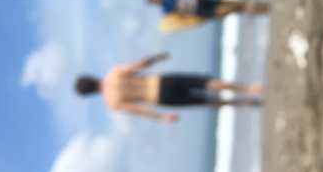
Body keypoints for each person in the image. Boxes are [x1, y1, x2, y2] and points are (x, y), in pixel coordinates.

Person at [74, 52, 263, 122]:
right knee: (204, 83)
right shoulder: (113, 73)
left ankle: (241, 103)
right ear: (91, 78)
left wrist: (161, 117)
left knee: (204, 101)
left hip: (161, 98)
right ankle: (247, 89)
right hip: (161, 81)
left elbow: (138, 110)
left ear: (90, 93)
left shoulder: (112, 103)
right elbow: (138, 65)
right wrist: (156, 58)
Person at [146, 0, 270, 33]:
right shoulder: (166, 10)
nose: (156, 0)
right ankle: (246, 7)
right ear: (154, 3)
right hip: (198, 11)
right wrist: (195, 22)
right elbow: (180, 19)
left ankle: (253, 6)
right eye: (154, 1)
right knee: (221, 12)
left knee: (223, 2)